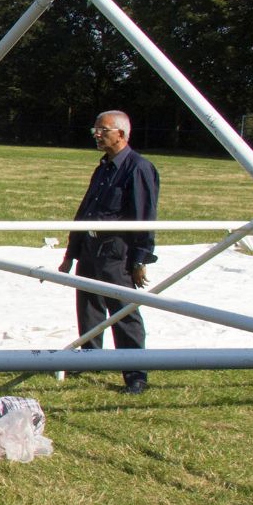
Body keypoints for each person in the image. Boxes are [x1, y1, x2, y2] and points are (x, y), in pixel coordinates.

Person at [58, 110, 160, 394]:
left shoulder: (138, 168)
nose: (97, 135)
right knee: (89, 305)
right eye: (95, 130)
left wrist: (140, 259)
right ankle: (91, 358)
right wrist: (72, 252)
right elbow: (86, 211)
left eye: (102, 130)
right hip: (91, 247)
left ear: (122, 133)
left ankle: (136, 376)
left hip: (118, 251)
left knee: (123, 311)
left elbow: (144, 216)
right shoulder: (103, 167)